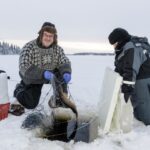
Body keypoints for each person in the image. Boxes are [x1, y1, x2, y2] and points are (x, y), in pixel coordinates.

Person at [10, 22, 72, 116]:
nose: (48, 38)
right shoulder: (29, 46)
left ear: (54, 37)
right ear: (41, 34)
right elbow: (24, 67)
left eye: (50, 36)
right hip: (33, 77)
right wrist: (42, 73)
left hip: (51, 75)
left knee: (61, 74)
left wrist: (66, 71)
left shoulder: (57, 49)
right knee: (31, 104)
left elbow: (64, 60)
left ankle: (57, 100)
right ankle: (19, 89)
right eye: (46, 35)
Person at [108, 28, 150, 125]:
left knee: (143, 106)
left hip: (141, 79)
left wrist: (127, 87)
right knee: (141, 102)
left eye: (114, 43)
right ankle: (141, 118)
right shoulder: (129, 45)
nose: (114, 46)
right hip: (143, 77)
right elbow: (123, 64)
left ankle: (146, 125)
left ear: (120, 40)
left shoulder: (131, 48)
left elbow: (130, 69)